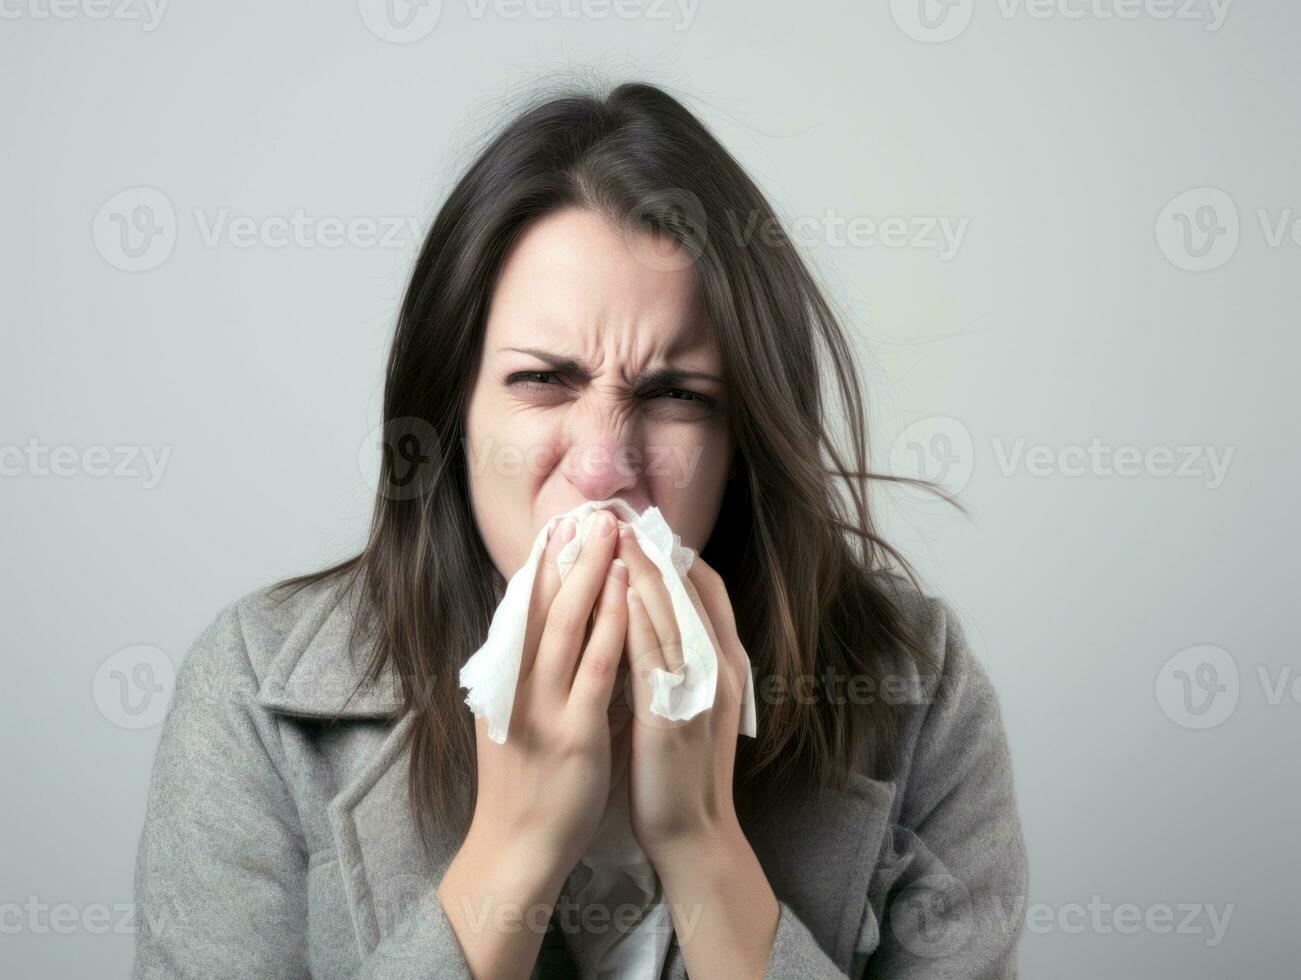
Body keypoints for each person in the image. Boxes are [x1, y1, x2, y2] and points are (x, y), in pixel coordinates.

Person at [131, 79, 1027, 979]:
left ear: (744, 438)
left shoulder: (917, 697)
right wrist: (512, 850)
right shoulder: (259, 697)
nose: (603, 468)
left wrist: (703, 844)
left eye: (676, 396)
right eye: (542, 381)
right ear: (453, 412)